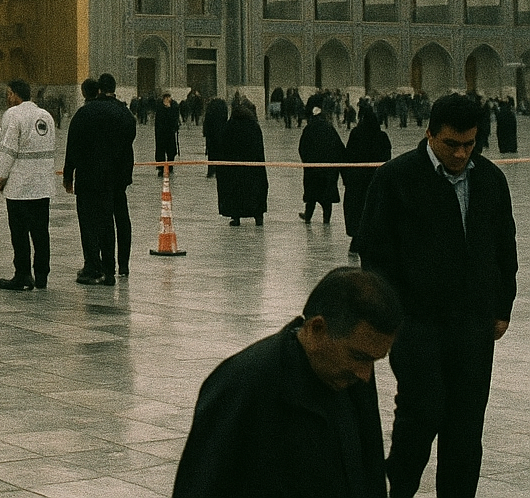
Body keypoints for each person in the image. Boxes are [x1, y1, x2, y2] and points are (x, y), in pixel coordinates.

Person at [359, 92, 518, 498]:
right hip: (417, 323)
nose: (462, 154)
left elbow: (504, 247)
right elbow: (376, 256)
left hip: (473, 324)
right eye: (452, 145)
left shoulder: (489, 179)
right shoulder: (396, 179)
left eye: (470, 144)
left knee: (465, 427)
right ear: (430, 134)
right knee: (420, 415)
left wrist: (502, 305)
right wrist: (390, 316)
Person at [172, 266, 401, 498]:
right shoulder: (244, 385)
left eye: (374, 360)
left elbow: (368, 474)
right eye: (359, 357)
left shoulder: (353, 376)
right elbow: (202, 484)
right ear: (316, 329)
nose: (366, 374)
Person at [0, 79, 54, 291]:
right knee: (41, 232)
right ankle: (42, 275)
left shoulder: (13, 115)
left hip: (19, 185)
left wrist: (1, 175)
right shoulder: (45, 116)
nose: (7, 97)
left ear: (13, 94)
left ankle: (23, 274)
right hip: (43, 184)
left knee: (19, 232)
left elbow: (8, 148)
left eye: (8, 93)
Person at [63, 79, 117, 285]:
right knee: (106, 222)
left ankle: (92, 266)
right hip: (108, 176)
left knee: (88, 223)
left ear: (84, 93)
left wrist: (68, 176)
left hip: (86, 177)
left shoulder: (83, 115)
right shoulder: (114, 113)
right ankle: (110, 269)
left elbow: (72, 147)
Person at [98, 73, 137, 277]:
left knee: (105, 221)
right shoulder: (125, 112)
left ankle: (108, 265)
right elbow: (131, 134)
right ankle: (124, 264)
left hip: (103, 174)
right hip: (121, 174)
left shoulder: (96, 111)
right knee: (122, 218)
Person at [341, 100, 389, 255]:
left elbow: (348, 156)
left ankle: (356, 241)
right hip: (375, 181)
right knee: (373, 211)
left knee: (357, 211)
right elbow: (387, 159)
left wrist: (347, 177)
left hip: (357, 181)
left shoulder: (356, 134)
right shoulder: (382, 137)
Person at [216, 97, 268, 226]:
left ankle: (236, 217)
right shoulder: (253, 126)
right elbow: (259, 148)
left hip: (234, 169)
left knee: (235, 193)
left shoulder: (229, 126)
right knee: (254, 192)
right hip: (252, 168)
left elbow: (222, 148)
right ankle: (258, 216)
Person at [298, 107, 344, 223]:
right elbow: (339, 148)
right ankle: (326, 218)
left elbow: (302, 148)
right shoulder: (330, 129)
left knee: (311, 195)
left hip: (312, 168)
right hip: (328, 169)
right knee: (326, 196)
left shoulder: (309, 129)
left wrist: (307, 162)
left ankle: (308, 216)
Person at [202, 95, 228, 179]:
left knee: (211, 153)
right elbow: (225, 119)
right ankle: (219, 169)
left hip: (211, 136)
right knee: (220, 153)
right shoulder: (223, 107)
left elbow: (206, 122)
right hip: (220, 134)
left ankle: (211, 170)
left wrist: (205, 133)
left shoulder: (210, 109)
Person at [154, 92, 180, 176]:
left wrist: (169, 109)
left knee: (171, 151)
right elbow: (158, 119)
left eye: (168, 97)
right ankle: (161, 168)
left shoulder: (174, 105)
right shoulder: (159, 106)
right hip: (161, 133)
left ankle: (170, 165)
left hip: (170, 132)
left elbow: (175, 117)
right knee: (161, 151)